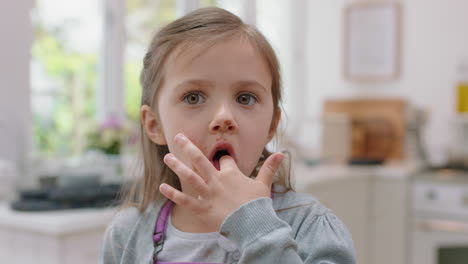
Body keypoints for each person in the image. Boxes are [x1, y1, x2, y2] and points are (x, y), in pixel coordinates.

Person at [100, 7, 356, 264]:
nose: (224, 117)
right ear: (155, 125)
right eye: (193, 97)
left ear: (270, 125)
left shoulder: (310, 225)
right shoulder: (126, 236)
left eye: (245, 98)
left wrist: (256, 229)